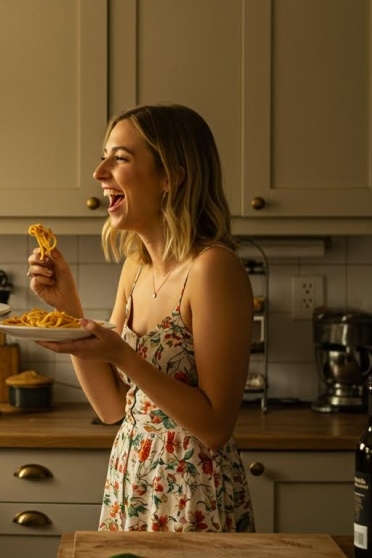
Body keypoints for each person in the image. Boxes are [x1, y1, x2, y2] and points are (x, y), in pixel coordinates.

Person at [25, 103, 256, 532]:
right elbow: (111, 407)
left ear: (171, 176)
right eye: (104, 154)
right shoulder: (135, 268)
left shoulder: (212, 269)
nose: (99, 172)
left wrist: (125, 357)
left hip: (193, 491)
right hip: (133, 478)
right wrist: (69, 310)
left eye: (120, 157)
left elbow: (215, 426)